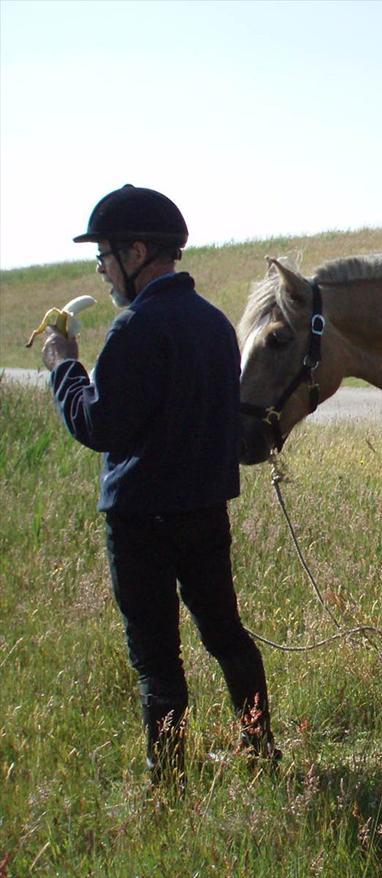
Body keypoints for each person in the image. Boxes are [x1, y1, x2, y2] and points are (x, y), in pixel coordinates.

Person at [39, 184, 278, 788]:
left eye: (105, 254)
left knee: (156, 662)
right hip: (204, 514)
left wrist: (64, 366)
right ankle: (261, 751)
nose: (101, 267)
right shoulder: (215, 324)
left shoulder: (135, 328)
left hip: (141, 524)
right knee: (227, 636)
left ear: (138, 251)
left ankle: (167, 784)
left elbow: (98, 426)